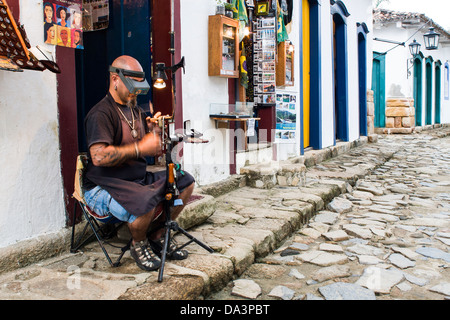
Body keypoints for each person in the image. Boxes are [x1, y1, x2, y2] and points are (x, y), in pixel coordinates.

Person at [83, 55, 195, 272]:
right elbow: (98, 156)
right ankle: (138, 243)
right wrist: (140, 148)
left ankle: (157, 234)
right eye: (131, 87)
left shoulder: (135, 110)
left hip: (135, 179)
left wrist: (153, 132)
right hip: (105, 184)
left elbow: (149, 148)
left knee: (183, 181)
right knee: (146, 198)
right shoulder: (100, 114)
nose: (135, 92)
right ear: (115, 79)